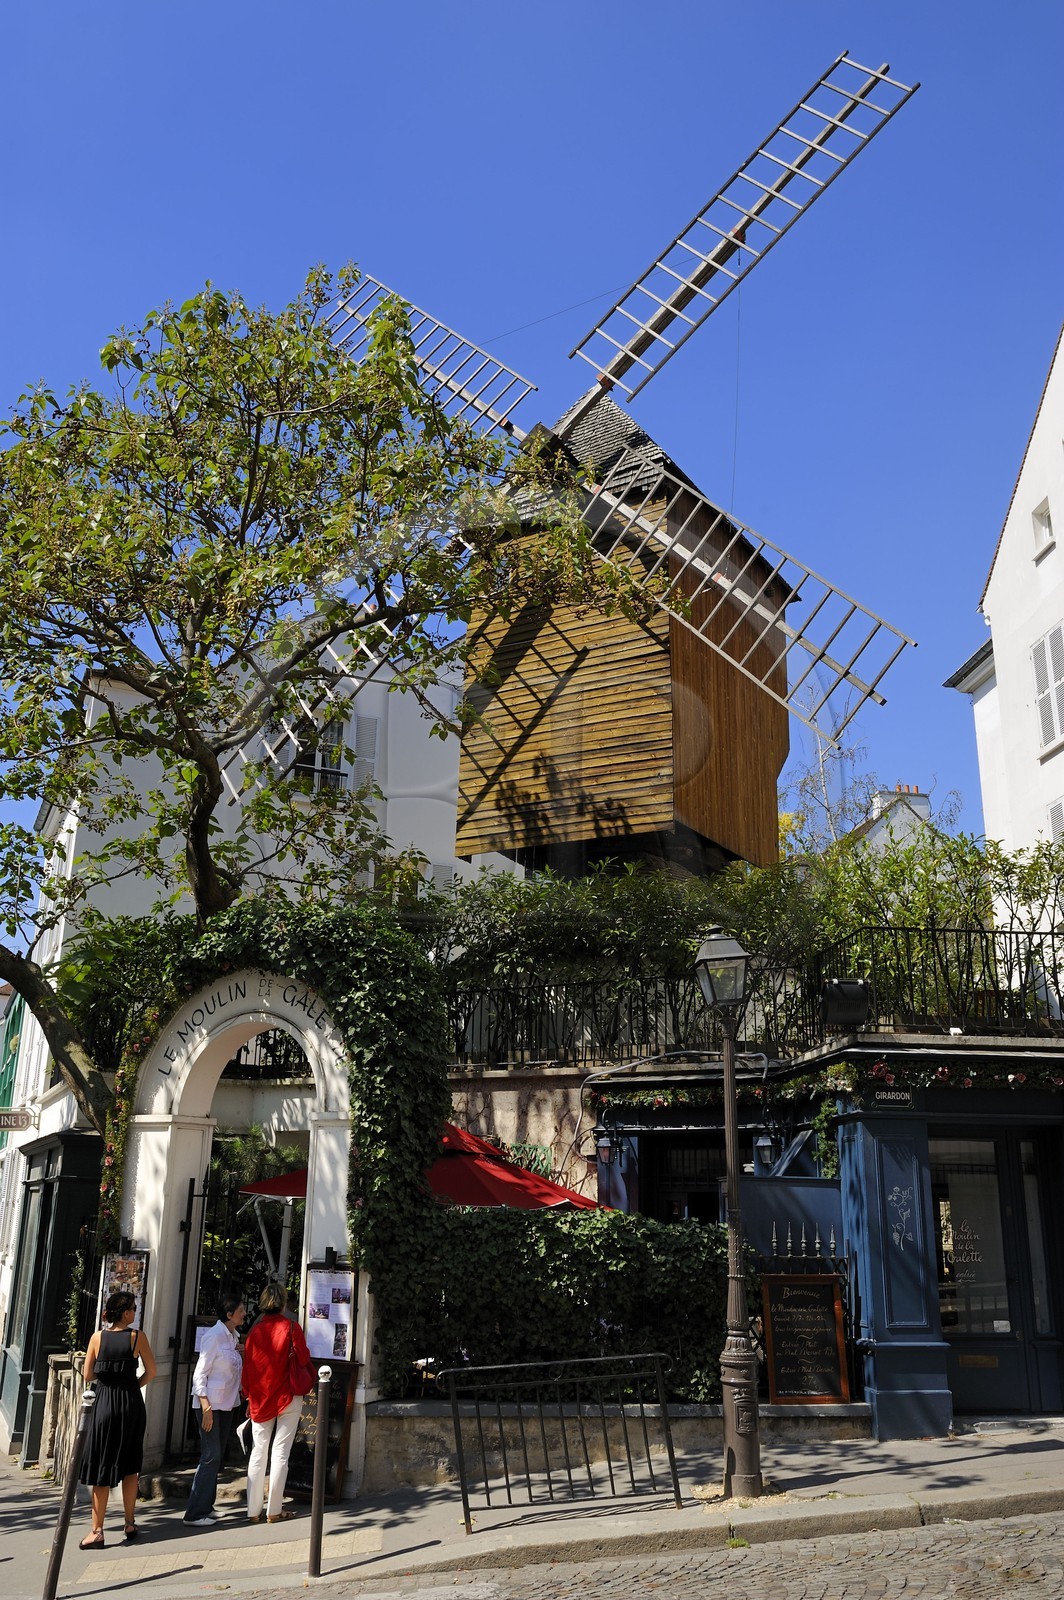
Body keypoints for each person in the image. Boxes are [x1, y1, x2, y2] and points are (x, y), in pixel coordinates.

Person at [78, 1290, 157, 1549]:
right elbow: (152, 1371)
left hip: (104, 1404)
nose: (135, 1312)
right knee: (130, 1464)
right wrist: (133, 1385)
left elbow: (88, 1374)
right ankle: (130, 1522)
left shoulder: (97, 1338)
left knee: (102, 1466)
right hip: (131, 1404)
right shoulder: (137, 1338)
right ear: (125, 1313)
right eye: (133, 1308)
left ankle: (97, 1531)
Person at [241, 1281, 313, 1523]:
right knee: (280, 1453)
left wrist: (249, 1396)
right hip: (287, 1396)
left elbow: (247, 1369)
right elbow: (303, 1357)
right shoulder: (292, 1327)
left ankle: (252, 1511)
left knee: (257, 1453)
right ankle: (274, 1509)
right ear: (283, 1303)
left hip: (260, 1398)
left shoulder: (254, 1334)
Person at [184, 1291, 246, 1527]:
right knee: (210, 1456)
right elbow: (200, 1373)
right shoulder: (214, 1337)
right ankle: (194, 1513)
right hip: (210, 1404)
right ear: (229, 1314)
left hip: (226, 1404)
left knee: (216, 1457)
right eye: (240, 1310)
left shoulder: (231, 1336)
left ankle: (206, 1507)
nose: (244, 1314)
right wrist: (205, 1405)